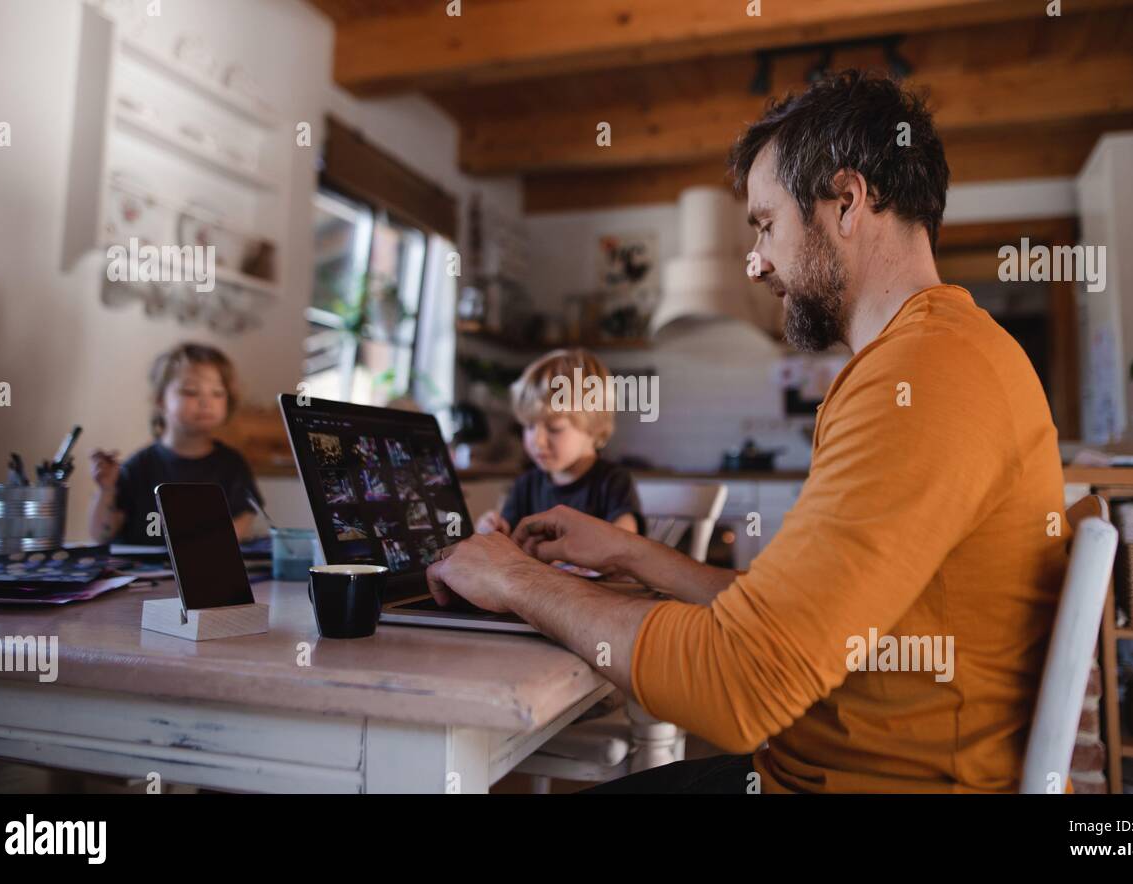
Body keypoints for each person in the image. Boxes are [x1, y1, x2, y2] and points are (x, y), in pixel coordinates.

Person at [423, 70, 1068, 793]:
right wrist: (630, 553)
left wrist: (513, 579)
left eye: (765, 225)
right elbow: (782, 619)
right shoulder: (928, 355)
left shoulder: (926, 375)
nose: (757, 262)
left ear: (847, 202)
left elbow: (740, 686)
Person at [88, 342, 261, 545]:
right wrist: (106, 489)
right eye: (190, 392)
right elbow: (101, 536)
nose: (206, 402)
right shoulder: (139, 466)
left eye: (217, 393)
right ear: (161, 400)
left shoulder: (233, 465)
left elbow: (243, 520)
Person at [475, 348, 642, 537]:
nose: (537, 440)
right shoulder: (525, 486)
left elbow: (626, 543)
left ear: (594, 426)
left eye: (554, 428)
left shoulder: (613, 483)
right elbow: (505, 540)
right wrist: (492, 530)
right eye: (529, 426)